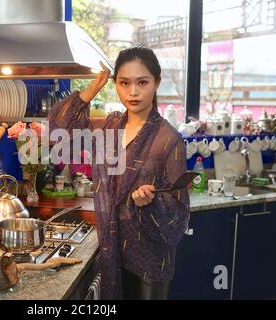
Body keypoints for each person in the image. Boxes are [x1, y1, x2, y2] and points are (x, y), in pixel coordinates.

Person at [48, 46, 190, 300]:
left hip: (149, 260)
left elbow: (179, 216)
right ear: (115, 84)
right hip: (113, 252)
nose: (133, 92)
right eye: (124, 83)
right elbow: (61, 135)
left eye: (142, 82)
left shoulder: (169, 140)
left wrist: (152, 202)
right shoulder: (111, 126)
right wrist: (89, 92)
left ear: (157, 82)